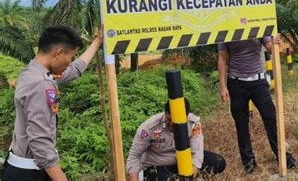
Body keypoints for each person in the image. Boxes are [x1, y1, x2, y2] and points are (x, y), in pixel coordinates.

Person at [2, 25, 103, 181]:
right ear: (58, 53)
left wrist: (98, 41)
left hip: (19, 168)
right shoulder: (42, 84)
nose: (70, 63)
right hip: (31, 174)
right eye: (71, 57)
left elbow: (74, 70)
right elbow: (40, 141)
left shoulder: (32, 72)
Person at [218, 35, 298, 173]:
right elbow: (222, 57)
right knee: (241, 124)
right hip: (236, 83)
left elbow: (269, 47)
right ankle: (248, 162)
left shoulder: (257, 22)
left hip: (258, 81)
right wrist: (222, 86)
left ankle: (284, 158)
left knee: (271, 118)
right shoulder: (227, 27)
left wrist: (275, 45)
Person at [126, 99, 226, 180]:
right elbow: (134, 155)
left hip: (183, 161)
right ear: (165, 113)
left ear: (186, 117)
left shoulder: (193, 124)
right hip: (159, 164)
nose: (171, 124)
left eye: (175, 121)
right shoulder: (149, 128)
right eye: (169, 120)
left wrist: (190, 177)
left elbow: (197, 153)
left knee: (218, 162)